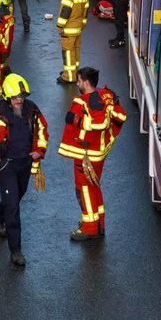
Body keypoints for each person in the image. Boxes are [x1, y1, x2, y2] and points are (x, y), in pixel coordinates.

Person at [0, 74, 48, 267]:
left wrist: (39, 151)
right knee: (13, 207)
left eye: (22, 97)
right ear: (7, 96)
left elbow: (42, 130)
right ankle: (15, 250)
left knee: (16, 198)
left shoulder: (31, 109)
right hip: (6, 166)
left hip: (25, 163)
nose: (19, 100)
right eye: (16, 97)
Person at [57, 66, 127, 241]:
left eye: (79, 81)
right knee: (95, 187)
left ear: (86, 83)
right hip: (99, 153)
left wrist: (78, 120)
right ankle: (99, 224)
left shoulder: (84, 102)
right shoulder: (106, 94)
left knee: (84, 190)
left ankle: (89, 228)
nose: (77, 84)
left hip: (86, 155)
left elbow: (97, 123)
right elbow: (120, 116)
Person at [56, 0, 89, 84]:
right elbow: (86, 10)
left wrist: (60, 26)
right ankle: (74, 72)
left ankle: (68, 76)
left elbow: (65, 10)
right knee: (75, 50)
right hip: (78, 27)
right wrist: (83, 24)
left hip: (68, 28)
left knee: (68, 52)